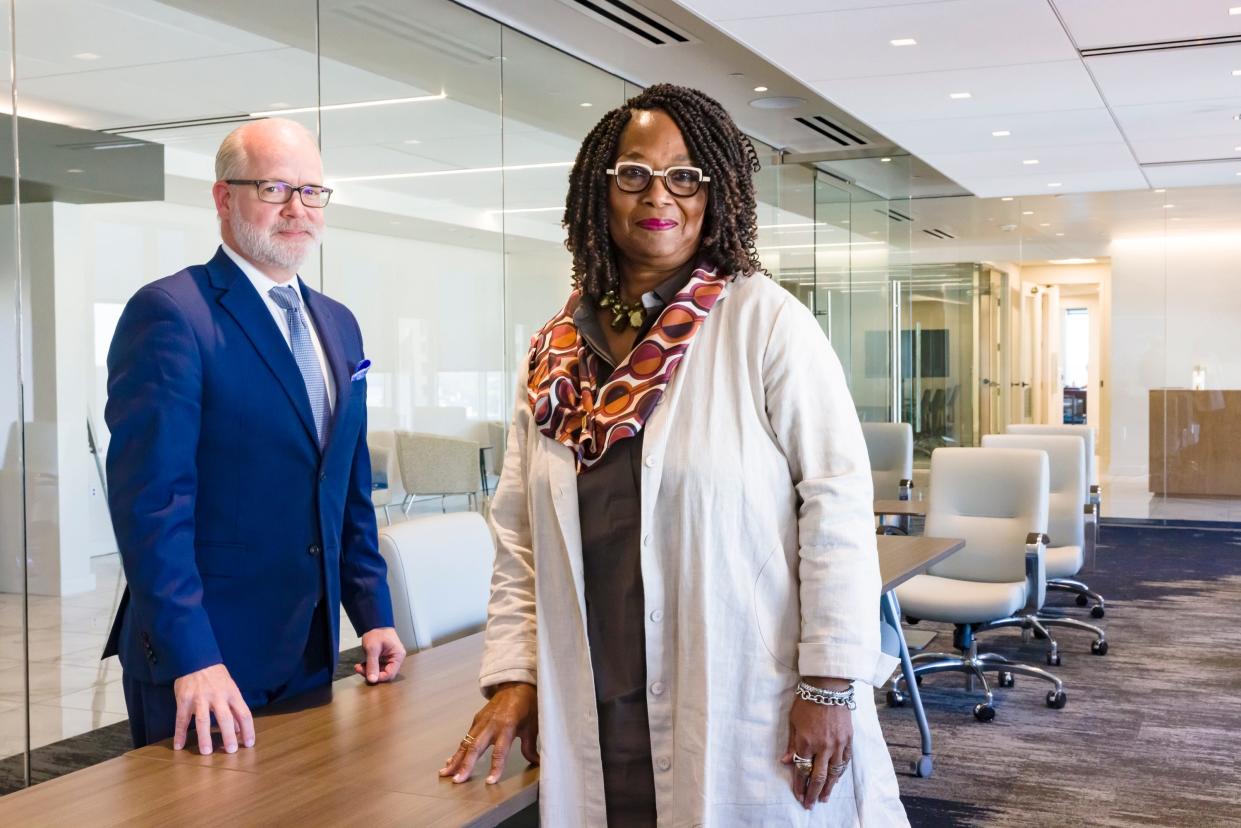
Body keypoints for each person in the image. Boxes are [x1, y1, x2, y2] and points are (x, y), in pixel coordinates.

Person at [440, 84, 908, 825]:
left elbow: (836, 506)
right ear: (600, 191)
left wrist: (826, 683)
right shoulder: (555, 348)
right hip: (593, 689)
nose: (658, 194)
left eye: (685, 175)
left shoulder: (764, 322)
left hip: (738, 684)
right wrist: (516, 675)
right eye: (633, 173)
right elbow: (518, 537)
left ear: (715, 192)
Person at [103, 118, 405, 755]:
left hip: (312, 646)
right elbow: (152, 507)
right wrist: (194, 657)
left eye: (312, 192)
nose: (297, 209)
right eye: (274, 188)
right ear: (223, 198)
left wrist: (372, 612)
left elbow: (345, 488)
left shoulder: (339, 324)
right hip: (209, 660)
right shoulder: (171, 314)